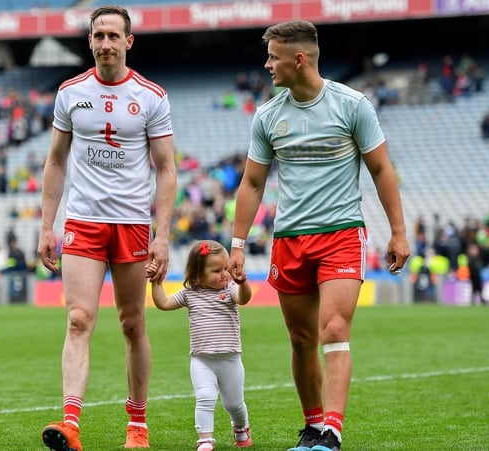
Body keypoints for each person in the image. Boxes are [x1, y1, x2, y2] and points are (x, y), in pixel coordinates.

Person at [227, 20, 409, 451]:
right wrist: (236, 244)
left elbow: (381, 169)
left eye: (273, 56)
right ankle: (312, 427)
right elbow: (252, 184)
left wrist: (398, 233)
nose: (267, 65)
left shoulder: (352, 105)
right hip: (289, 238)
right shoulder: (269, 115)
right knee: (301, 338)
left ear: (298, 59)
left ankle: (332, 431)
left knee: (333, 329)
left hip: (341, 233)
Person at [36, 5, 177, 450]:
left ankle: (137, 425)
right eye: (99, 36)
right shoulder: (70, 93)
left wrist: (163, 234)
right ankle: (71, 424)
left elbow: (166, 168)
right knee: (78, 319)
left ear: (129, 42)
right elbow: (56, 161)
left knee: (133, 323)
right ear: (90, 41)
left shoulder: (152, 96)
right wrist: (46, 226)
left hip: (133, 223)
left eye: (114, 36)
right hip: (83, 222)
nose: (106, 44)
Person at [147, 240, 253, 450]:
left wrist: (242, 283)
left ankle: (241, 426)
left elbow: (243, 299)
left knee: (234, 403)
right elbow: (164, 303)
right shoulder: (189, 293)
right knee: (205, 397)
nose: (224, 274)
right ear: (197, 274)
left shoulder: (231, 289)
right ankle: (205, 439)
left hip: (230, 359)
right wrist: (156, 282)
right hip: (201, 360)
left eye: (225, 268)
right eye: (216, 270)